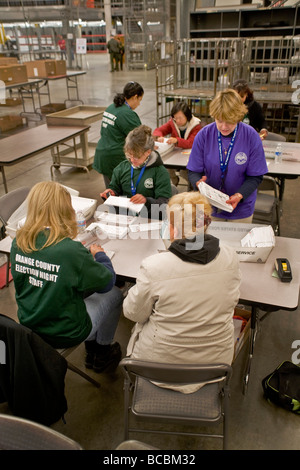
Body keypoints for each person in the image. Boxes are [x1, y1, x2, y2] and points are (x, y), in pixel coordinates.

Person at [123, 191, 241, 393]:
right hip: (214, 365)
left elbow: (133, 313)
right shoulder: (230, 257)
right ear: (207, 223)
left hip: (159, 367)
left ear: (172, 228)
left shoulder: (154, 267)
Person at [10, 181, 123, 373]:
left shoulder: (19, 241)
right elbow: (107, 282)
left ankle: (96, 348)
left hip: (30, 326)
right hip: (65, 332)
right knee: (114, 294)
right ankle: (102, 353)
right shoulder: (70, 250)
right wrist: (100, 256)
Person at [187, 89, 268, 223]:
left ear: (238, 116)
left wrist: (239, 195)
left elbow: (256, 176)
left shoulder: (251, 136)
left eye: (230, 121)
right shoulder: (204, 135)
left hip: (241, 208)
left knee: (235, 243)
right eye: (219, 121)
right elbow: (193, 171)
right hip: (209, 207)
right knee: (210, 242)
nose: (224, 126)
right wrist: (197, 183)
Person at [100, 125, 172, 219]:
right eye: (129, 155)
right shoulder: (121, 168)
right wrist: (111, 193)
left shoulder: (160, 172)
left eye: (137, 156)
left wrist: (146, 201)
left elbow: (164, 204)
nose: (132, 160)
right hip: (124, 219)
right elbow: (115, 189)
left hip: (148, 220)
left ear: (148, 152)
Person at [93, 81, 144, 187]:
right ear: (135, 97)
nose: (139, 104)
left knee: (111, 190)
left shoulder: (112, 107)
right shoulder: (126, 114)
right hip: (115, 158)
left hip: (103, 154)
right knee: (120, 192)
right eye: (139, 100)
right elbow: (140, 138)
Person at [153, 101, 202, 186]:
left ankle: (192, 187)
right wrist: (158, 137)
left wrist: (177, 140)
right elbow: (159, 130)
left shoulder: (196, 125)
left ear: (187, 116)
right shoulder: (172, 122)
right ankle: (174, 180)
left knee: (185, 173)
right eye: (175, 118)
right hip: (176, 153)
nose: (178, 121)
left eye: (180, 118)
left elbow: (191, 143)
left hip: (191, 155)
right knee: (165, 166)